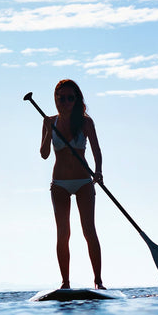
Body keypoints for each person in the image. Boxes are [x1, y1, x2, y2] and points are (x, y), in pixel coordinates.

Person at [39, 79, 105, 289]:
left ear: (77, 100)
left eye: (70, 98)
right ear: (55, 99)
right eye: (62, 98)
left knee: (89, 231)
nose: (66, 101)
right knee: (63, 233)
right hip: (59, 184)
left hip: (84, 181)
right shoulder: (49, 121)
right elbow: (44, 154)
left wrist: (99, 171)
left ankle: (98, 282)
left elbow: (96, 150)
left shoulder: (85, 122)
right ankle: (65, 283)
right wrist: (49, 131)